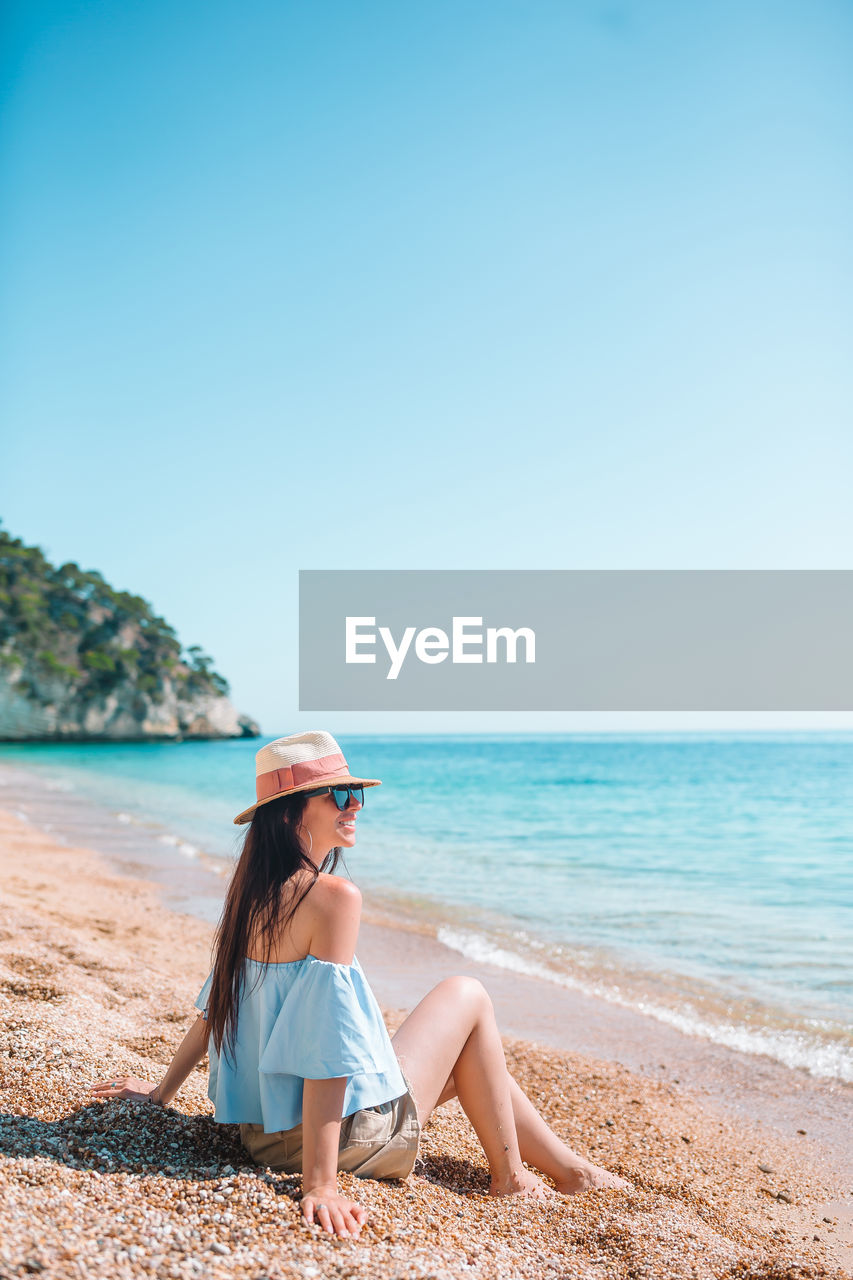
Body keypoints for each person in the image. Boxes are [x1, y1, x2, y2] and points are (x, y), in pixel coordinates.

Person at [91, 731, 629, 1239]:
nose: (356, 806)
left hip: (262, 1135)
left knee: (470, 1054)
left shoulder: (250, 895)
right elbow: (327, 1047)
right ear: (292, 810)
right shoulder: (332, 897)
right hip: (321, 1141)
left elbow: (216, 1012)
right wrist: (320, 1184)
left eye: (357, 794)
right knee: (468, 995)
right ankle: (512, 1179)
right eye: (341, 794)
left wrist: (161, 1094)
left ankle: (571, 1169)